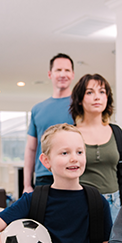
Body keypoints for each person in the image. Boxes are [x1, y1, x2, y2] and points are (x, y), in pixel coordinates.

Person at [70, 74, 122, 222]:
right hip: (80, 202)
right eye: (90, 92)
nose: (97, 97)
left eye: (102, 92)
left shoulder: (117, 132)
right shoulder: (71, 134)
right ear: (79, 100)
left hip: (115, 204)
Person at [23, 53, 75, 193]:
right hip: (43, 177)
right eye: (58, 70)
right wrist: (27, 185)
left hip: (72, 174)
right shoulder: (38, 109)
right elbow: (31, 149)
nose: (63, 74)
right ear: (50, 74)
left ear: (73, 74)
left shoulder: (80, 106)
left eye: (67, 70)